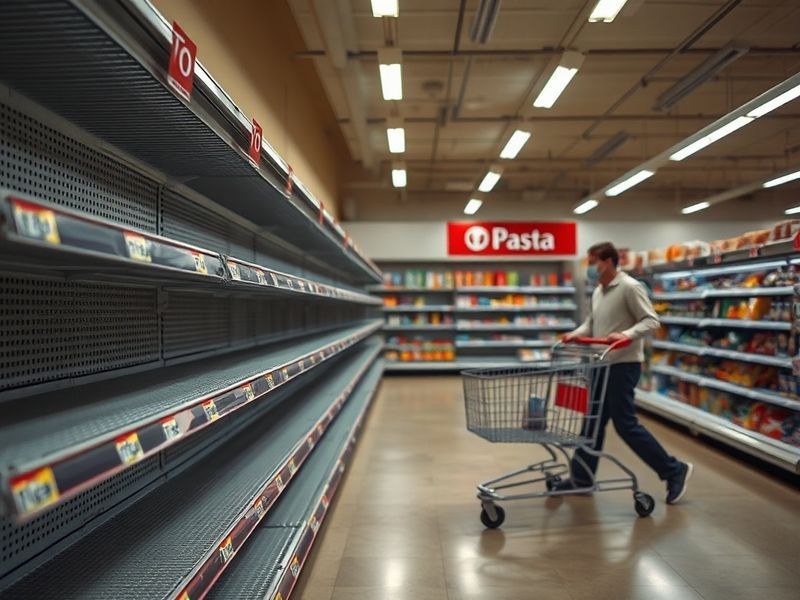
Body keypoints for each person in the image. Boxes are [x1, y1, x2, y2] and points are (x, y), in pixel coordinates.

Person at [555, 241, 692, 504]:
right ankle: (581, 478)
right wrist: (576, 334)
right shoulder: (599, 291)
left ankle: (674, 470)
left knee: (625, 425)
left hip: (622, 365)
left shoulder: (629, 287)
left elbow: (651, 320)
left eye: (593, 261)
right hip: (599, 364)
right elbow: (592, 323)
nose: (590, 268)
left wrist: (627, 335)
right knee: (591, 423)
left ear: (607, 261)